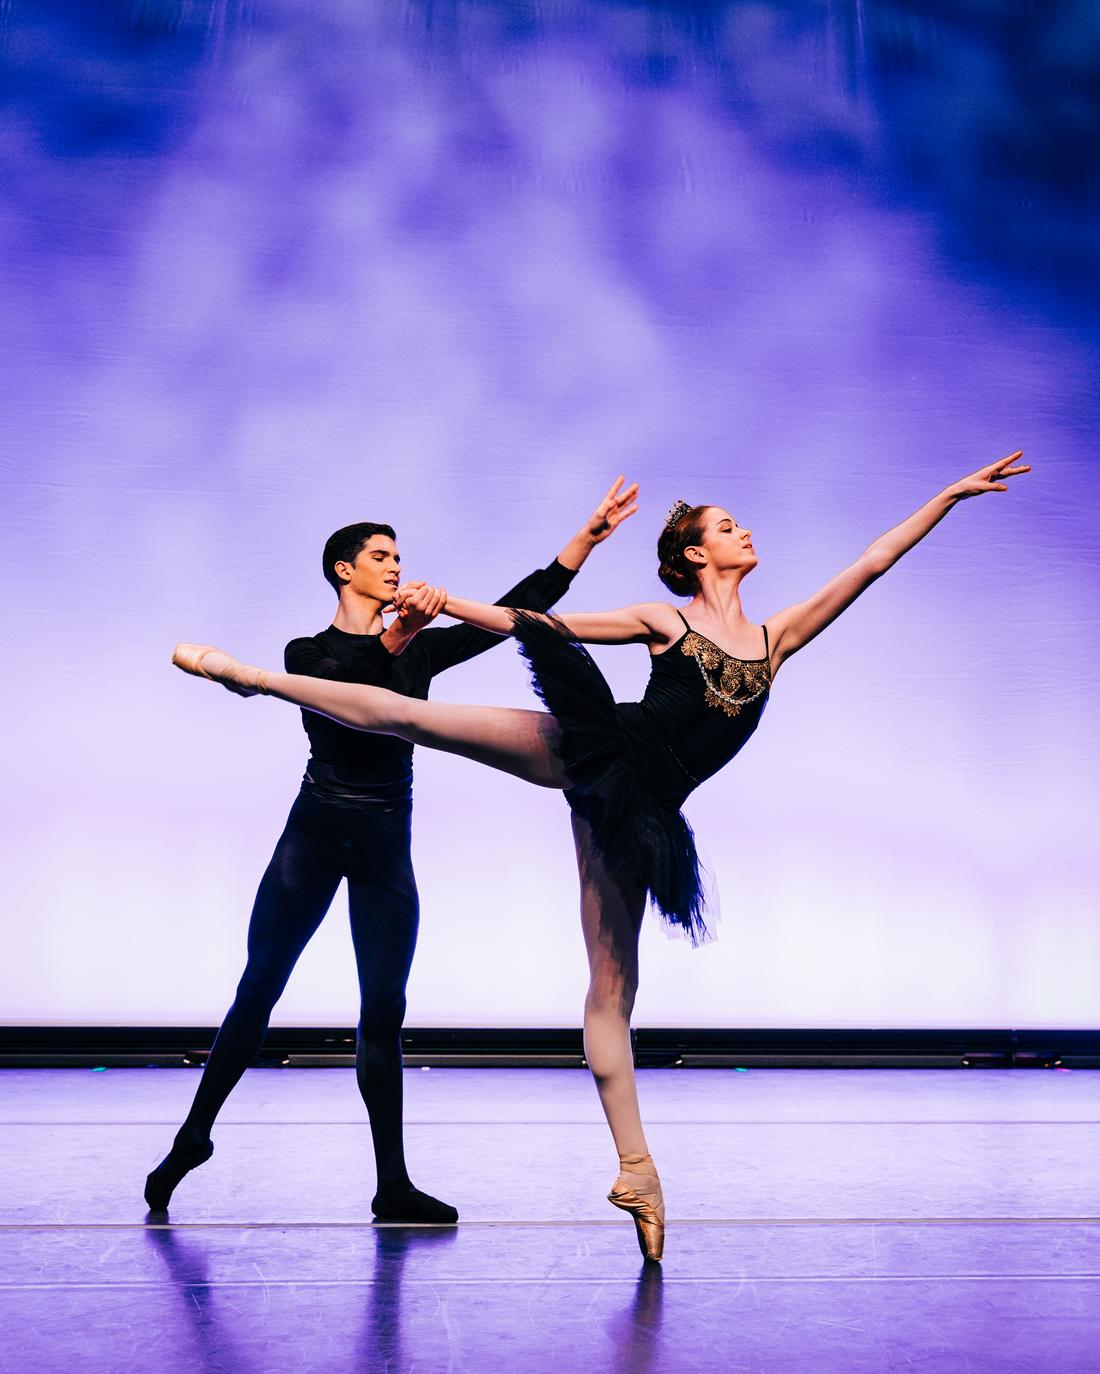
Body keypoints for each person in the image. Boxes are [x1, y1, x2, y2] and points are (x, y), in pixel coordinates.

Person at [169, 452, 1030, 1258]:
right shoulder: (664, 619)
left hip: (643, 812)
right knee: (414, 719)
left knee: (613, 993)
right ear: (695, 554)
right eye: (727, 526)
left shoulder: (779, 638)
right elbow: (535, 624)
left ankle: (638, 1174)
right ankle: (248, 677)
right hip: (594, 746)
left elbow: (873, 563)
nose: (745, 532)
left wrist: (948, 498)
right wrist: (452, 602)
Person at [145, 478, 640, 1221]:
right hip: (314, 836)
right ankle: (194, 1136)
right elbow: (349, 702)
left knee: (384, 1011)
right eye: (381, 557)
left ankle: (392, 1185)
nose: (396, 567)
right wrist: (399, 637)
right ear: (343, 570)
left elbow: (517, 614)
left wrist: (584, 542)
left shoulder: (419, 651)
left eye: (399, 558)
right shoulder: (306, 652)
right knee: (259, 990)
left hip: (384, 841)